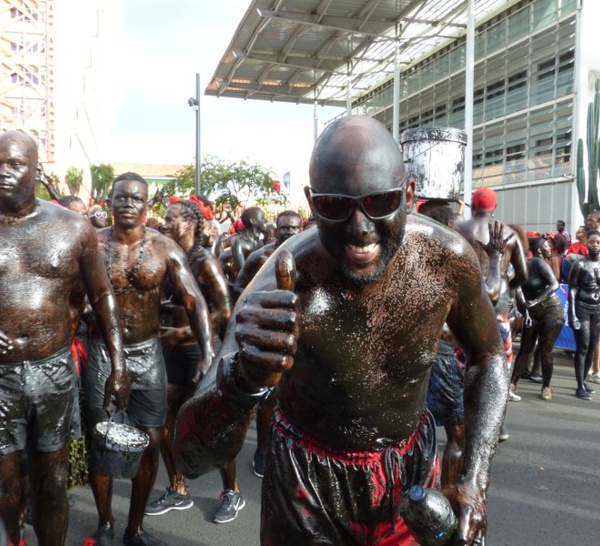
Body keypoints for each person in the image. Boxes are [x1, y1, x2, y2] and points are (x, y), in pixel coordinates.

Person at [174, 116, 508, 546]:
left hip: (409, 475)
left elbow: (488, 356)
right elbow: (190, 456)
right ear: (313, 203)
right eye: (336, 207)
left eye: (380, 201)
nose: (359, 228)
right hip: (304, 485)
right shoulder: (280, 285)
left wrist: (474, 479)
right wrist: (240, 382)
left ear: (407, 194)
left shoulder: (446, 260)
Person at [0, 130, 129, 546]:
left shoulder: (73, 227)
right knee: (4, 486)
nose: (3, 172)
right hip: (0, 378)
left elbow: (102, 294)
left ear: (36, 170)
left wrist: (119, 362)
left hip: (53, 373)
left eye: (14, 164)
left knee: (52, 482)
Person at [82, 173, 213, 546]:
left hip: (148, 354)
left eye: (135, 199)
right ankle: (105, 522)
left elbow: (194, 300)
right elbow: (71, 298)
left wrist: (208, 353)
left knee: (152, 439)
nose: (127, 203)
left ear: (146, 206)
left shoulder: (165, 247)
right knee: (101, 439)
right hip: (103, 354)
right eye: (120, 197)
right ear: (109, 202)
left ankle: (134, 528)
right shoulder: (91, 244)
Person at [145, 198, 235, 524]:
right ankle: (177, 488)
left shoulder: (205, 262)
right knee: (164, 422)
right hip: (172, 351)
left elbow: (225, 311)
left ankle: (232, 491)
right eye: (165, 219)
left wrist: (183, 333)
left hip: (201, 352)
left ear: (190, 224)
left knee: (211, 426)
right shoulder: (170, 256)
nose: (165, 223)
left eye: (172, 219)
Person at [232, 210, 303, 478]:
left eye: (294, 228)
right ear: (275, 229)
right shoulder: (260, 258)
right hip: (269, 335)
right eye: (284, 228)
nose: (289, 232)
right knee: (268, 398)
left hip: (300, 335)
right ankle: (262, 450)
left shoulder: (310, 255)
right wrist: (259, 303)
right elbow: (238, 290)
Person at [459, 187, 528, 415]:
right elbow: (523, 274)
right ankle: (496, 421)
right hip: (498, 306)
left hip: (465, 307)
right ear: (495, 207)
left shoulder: (459, 229)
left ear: (472, 205)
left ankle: (463, 419)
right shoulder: (509, 233)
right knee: (497, 362)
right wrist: (509, 285)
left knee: (464, 362)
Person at [510, 238, 564, 401]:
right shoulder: (529, 264)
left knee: (545, 349)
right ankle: (512, 383)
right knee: (525, 348)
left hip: (551, 310)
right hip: (532, 312)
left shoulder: (540, 264)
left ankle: (546, 386)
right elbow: (517, 289)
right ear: (539, 249)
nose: (550, 248)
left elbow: (554, 285)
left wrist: (534, 302)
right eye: (547, 245)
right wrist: (524, 308)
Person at [567, 229, 600, 401]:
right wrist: (572, 314)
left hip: (597, 309)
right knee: (583, 346)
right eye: (592, 242)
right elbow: (572, 289)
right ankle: (579, 386)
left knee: (592, 346)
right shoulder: (579, 264)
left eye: (597, 242)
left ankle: (585, 380)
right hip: (582, 307)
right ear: (587, 244)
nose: (595, 245)